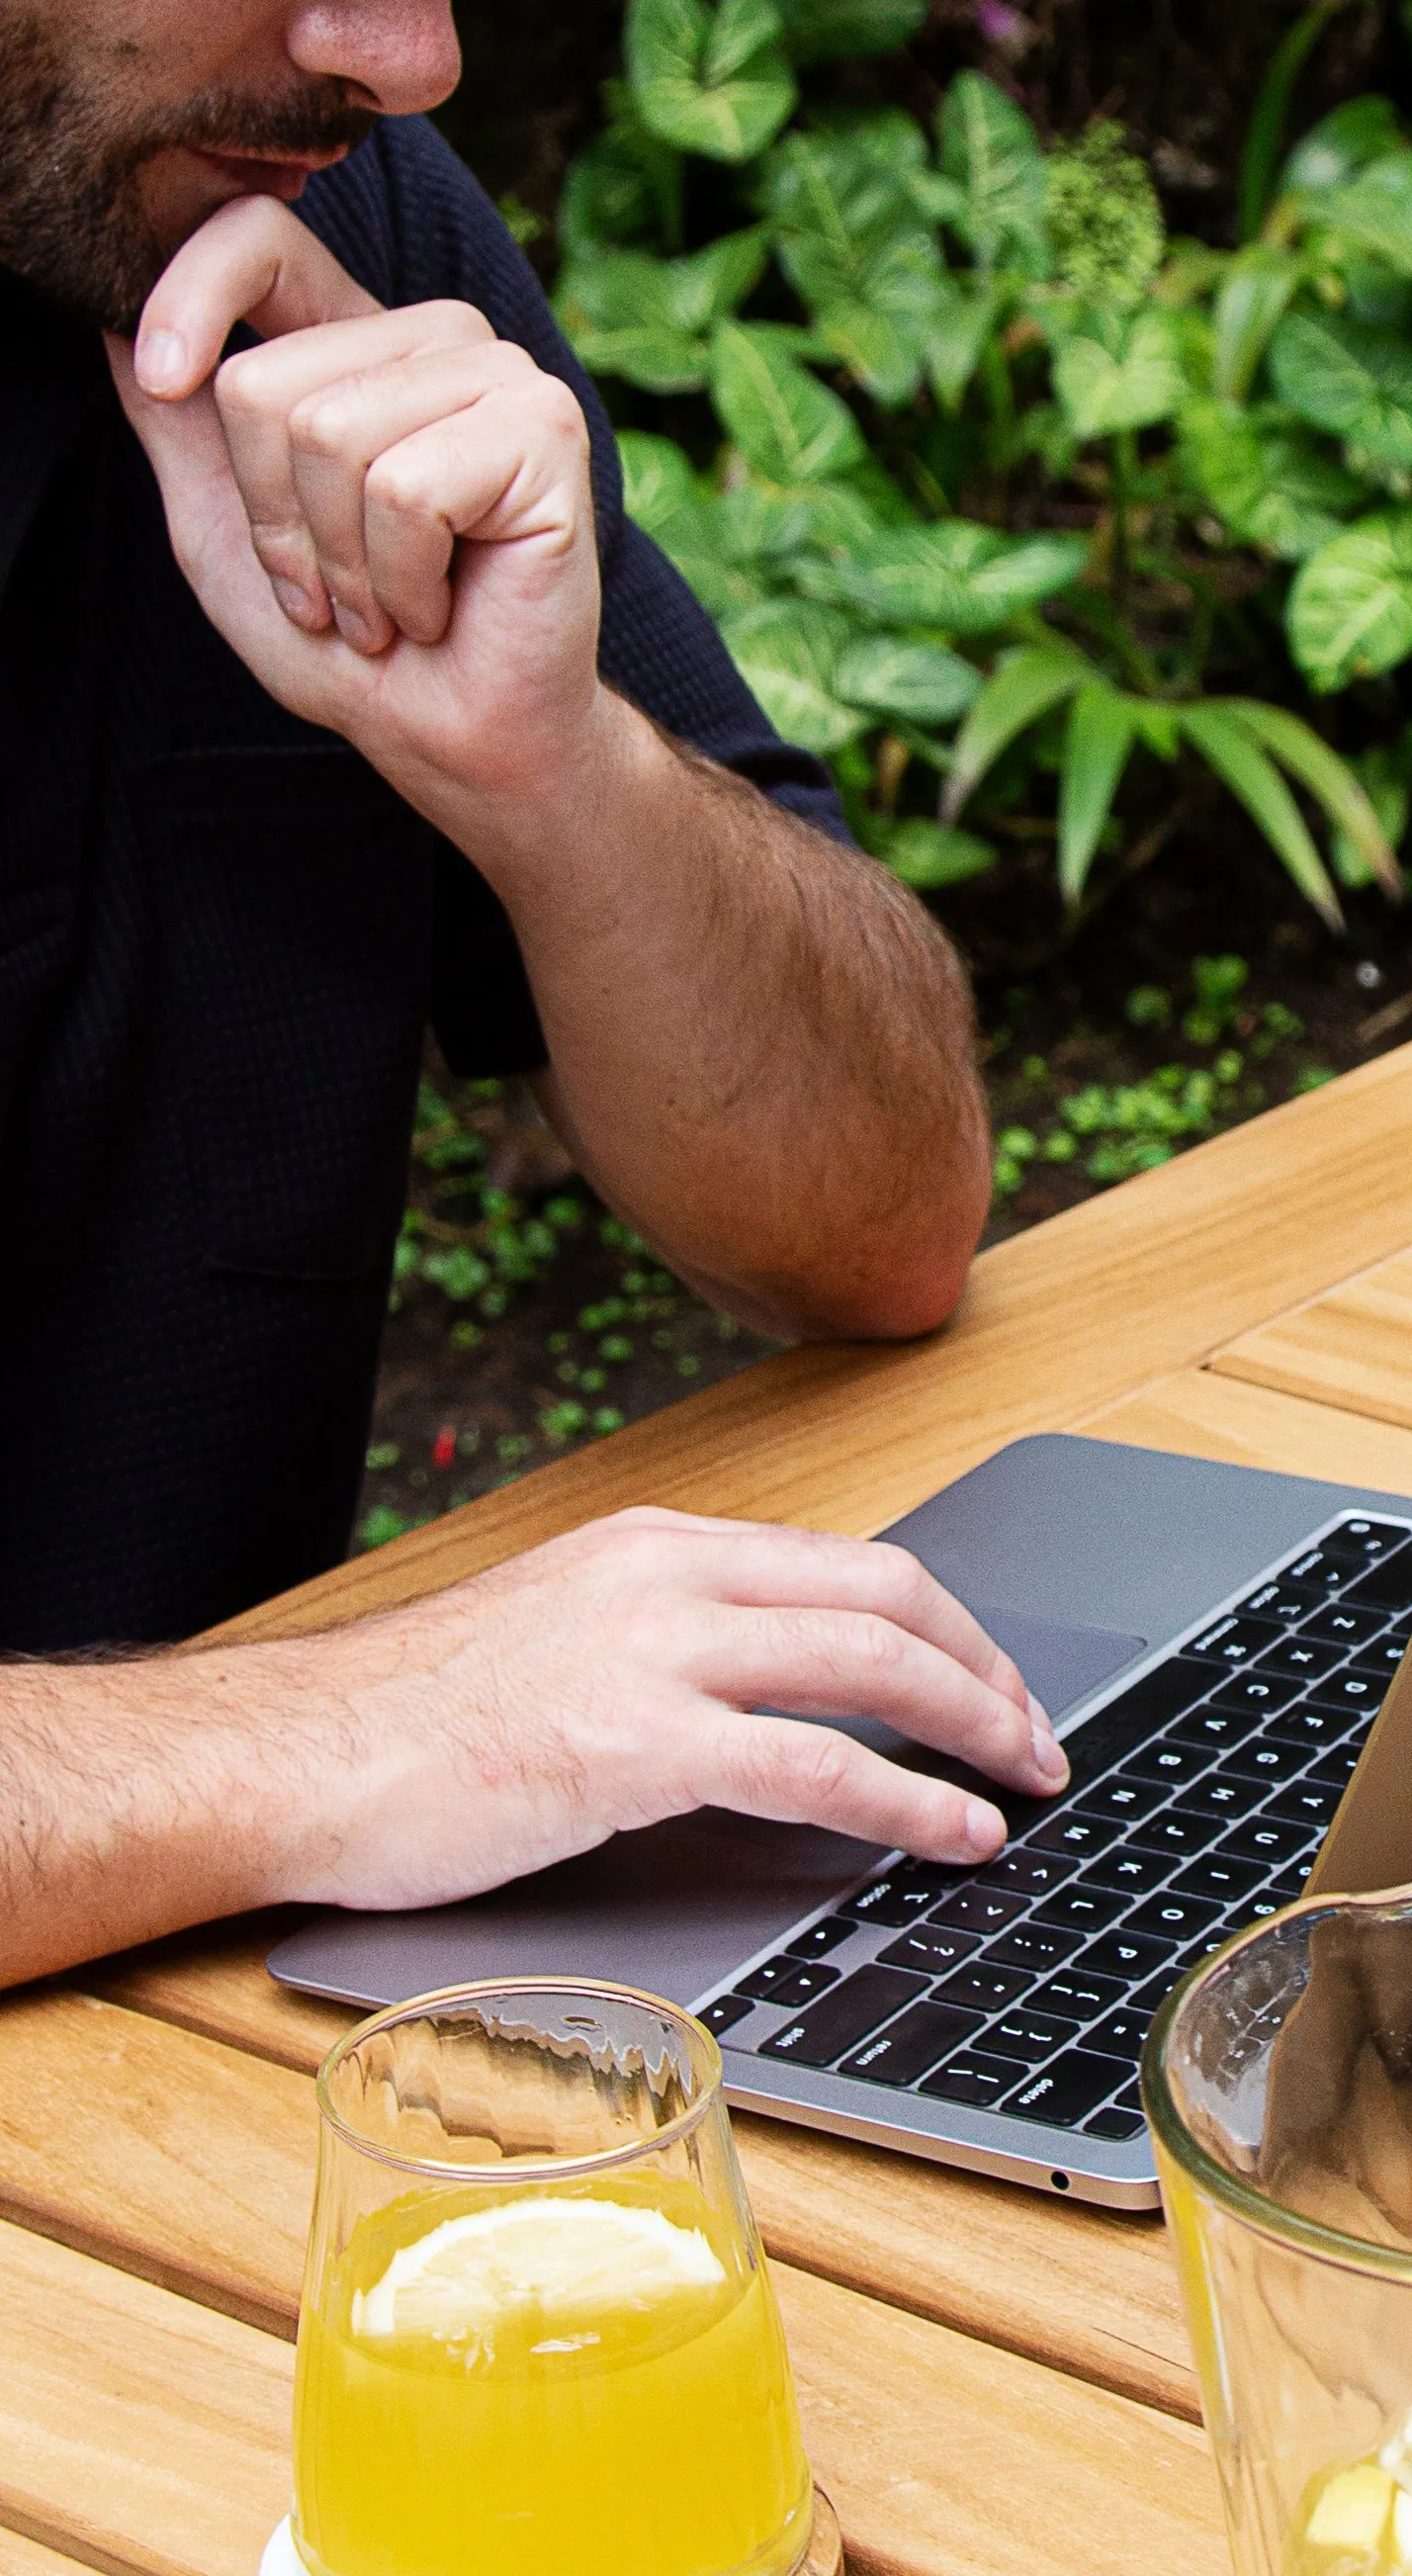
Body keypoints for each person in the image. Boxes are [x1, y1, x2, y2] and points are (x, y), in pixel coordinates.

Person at [0, 0, 1067, 1989]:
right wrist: (354, 1729)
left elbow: (883, 1224)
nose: (405, 59)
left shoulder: (294, 217)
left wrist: (554, 768)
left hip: (275, 2020)